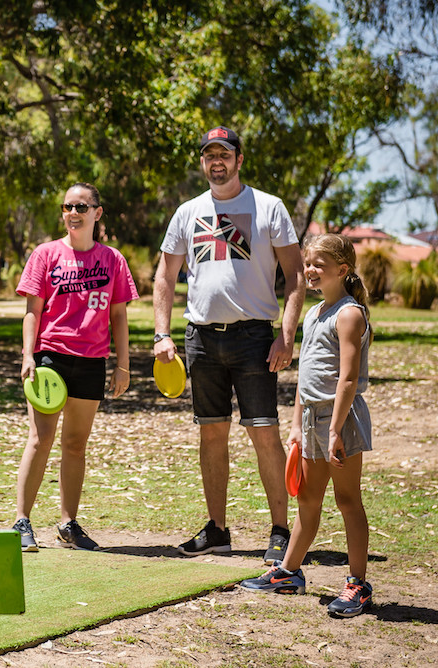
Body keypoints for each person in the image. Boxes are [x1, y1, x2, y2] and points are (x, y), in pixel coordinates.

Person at [153, 126, 305, 564]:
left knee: (264, 434)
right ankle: (217, 530)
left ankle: (280, 530)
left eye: (225, 154)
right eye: (209, 155)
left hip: (254, 339)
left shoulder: (268, 207)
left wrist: (286, 335)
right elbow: (165, 276)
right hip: (200, 339)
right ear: (203, 162)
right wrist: (163, 334)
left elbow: (294, 275)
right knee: (212, 434)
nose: (216, 162)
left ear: (240, 159)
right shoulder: (187, 212)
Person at [241, 234, 374, 617]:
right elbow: (306, 376)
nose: (311, 270)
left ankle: (357, 585)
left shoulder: (350, 314)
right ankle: (288, 573)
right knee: (307, 499)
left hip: (341, 420)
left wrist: (334, 430)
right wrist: (298, 424)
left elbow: (347, 380)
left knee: (348, 501)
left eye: (319, 264)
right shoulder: (315, 313)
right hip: (314, 420)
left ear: (343, 270)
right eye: (308, 263)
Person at [11, 182, 138, 552]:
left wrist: (123, 365)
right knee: (41, 439)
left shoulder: (113, 259)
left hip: (92, 361)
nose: (73, 213)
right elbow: (32, 311)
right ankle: (22, 521)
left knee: (75, 444)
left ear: (97, 212)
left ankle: (68, 524)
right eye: (68, 207)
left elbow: (119, 315)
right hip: (51, 358)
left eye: (82, 207)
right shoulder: (46, 254)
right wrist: (28, 355)